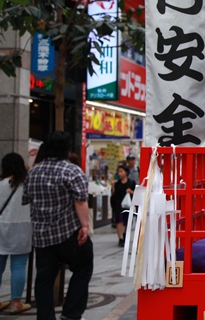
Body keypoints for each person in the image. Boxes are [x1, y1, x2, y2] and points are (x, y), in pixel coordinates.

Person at [22, 131, 93, 320]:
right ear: (67, 150)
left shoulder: (33, 172)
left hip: (42, 237)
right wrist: (85, 226)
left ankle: (45, 317)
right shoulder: (72, 171)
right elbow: (80, 201)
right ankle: (71, 314)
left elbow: (26, 199)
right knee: (83, 268)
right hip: (69, 233)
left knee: (44, 279)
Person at [0, 153, 32, 313]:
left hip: (1, 226)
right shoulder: (27, 185)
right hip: (22, 227)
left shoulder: (0, 184)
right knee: (19, 265)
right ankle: (16, 302)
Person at [110, 163, 135, 247]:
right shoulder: (116, 184)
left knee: (127, 222)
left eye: (121, 171)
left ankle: (125, 235)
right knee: (119, 221)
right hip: (118, 206)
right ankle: (120, 238)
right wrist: (113, 187)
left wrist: (131, 192)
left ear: (126, 172)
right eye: (118, 172)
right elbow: (113, 196)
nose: (119, 173)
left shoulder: (131, 183)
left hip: (128, 206)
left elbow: (136, 194)